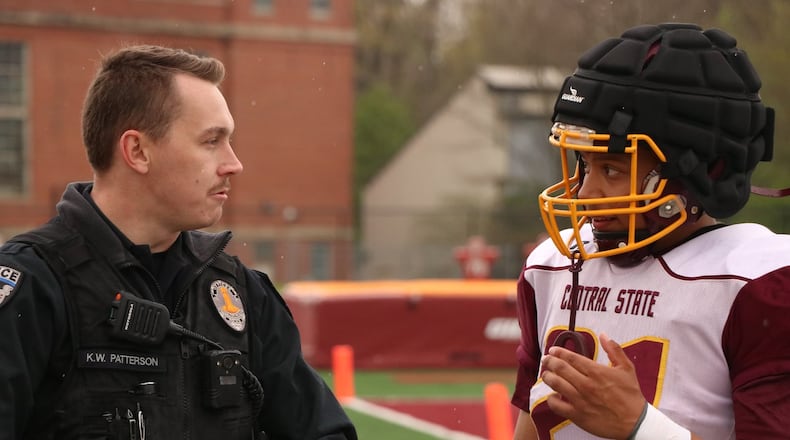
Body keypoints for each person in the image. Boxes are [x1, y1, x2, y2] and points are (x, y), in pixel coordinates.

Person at [0, 45, 357, 440]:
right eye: (211, 141)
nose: (233, 164)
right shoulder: (32, 287)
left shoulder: (239, 294)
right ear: (137, 151)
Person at [511, 23, 790, 439]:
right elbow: (533, 425)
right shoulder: (550, 268)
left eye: (611, 169)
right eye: (584, 166)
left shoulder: (758, 286)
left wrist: (641, 428)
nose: (585, 193)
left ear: (698, 174)